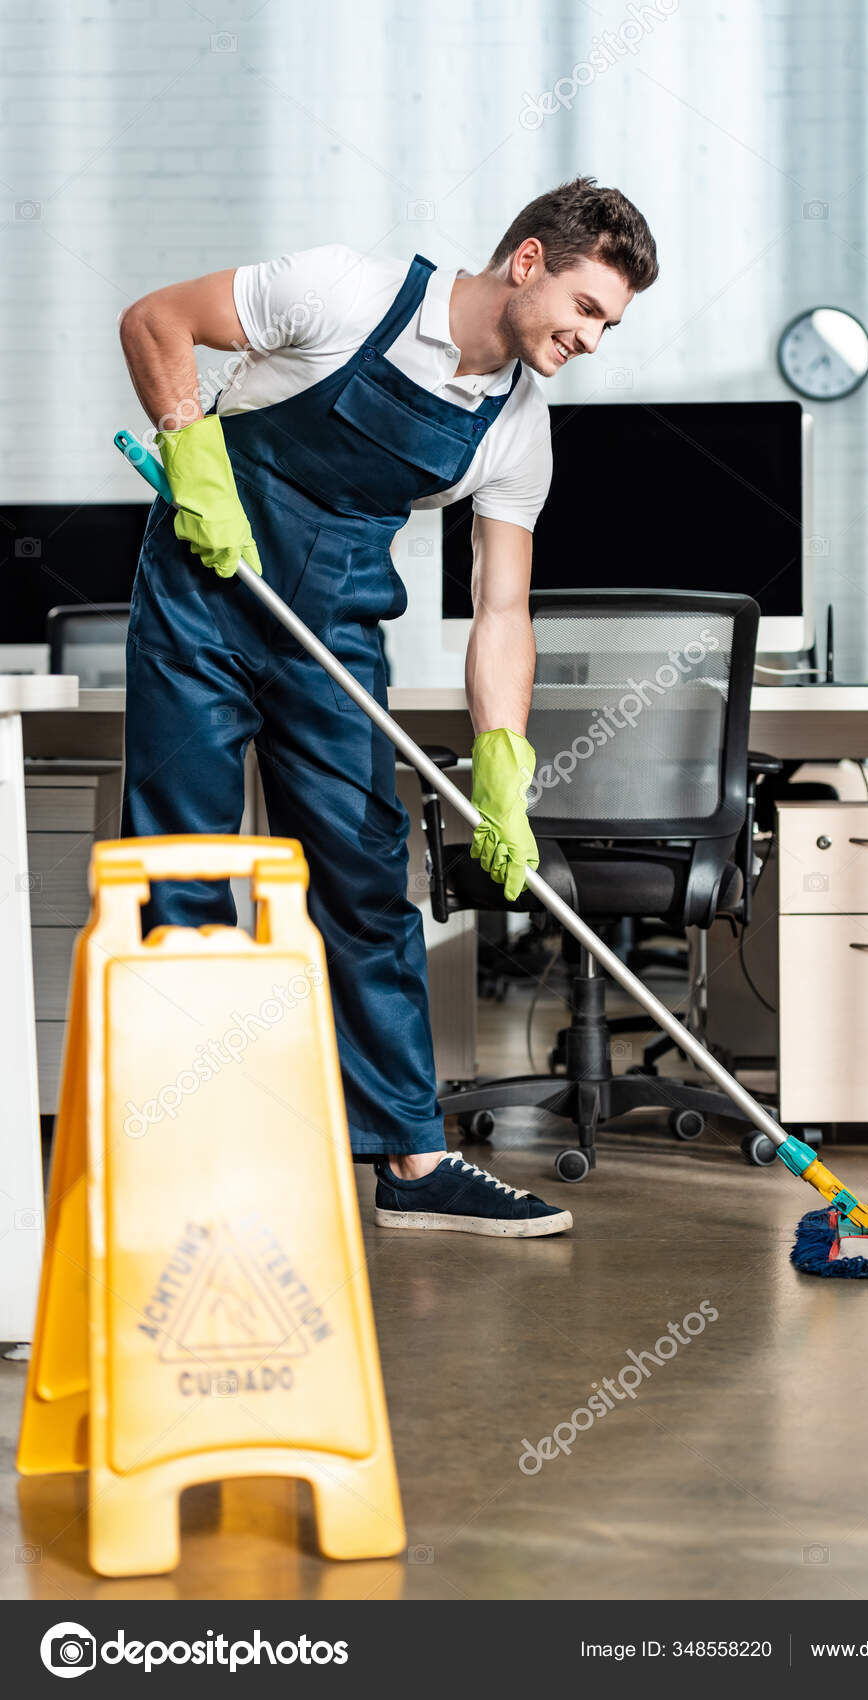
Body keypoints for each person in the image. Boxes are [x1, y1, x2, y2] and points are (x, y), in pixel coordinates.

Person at [117, 177, 659, 1238]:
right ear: (529, 263)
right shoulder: (346, 292)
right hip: (202, 603)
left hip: (335, 638)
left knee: (366, 882)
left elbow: (501, 609)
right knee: (181, 866)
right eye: (588, 309)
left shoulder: (518, 426)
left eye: (613, 325)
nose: (594, 339)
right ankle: (189, 1159)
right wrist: (191, 450)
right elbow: (156, 321)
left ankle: (413, 1159)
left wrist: (504, 759)